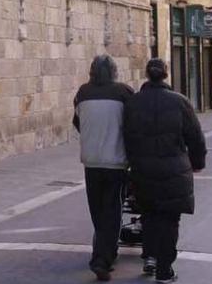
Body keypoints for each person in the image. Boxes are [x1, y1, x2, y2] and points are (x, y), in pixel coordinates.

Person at [124, 58, 207, 283]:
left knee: (149, 215)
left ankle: (150, 257)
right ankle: (164, 269)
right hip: (174, 171)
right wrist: (197, 163)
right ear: (166, 74)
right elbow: (196, 138)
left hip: (143, 170)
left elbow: (126, 138)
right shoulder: (180, 102)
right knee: (170, 221)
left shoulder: (133, 103)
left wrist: (132, 162)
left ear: (147, 74)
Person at [72, 55, 135, 282]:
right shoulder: (123, 93)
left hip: (91, 161)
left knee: (98, 210)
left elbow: (78, 122)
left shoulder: (82, 93)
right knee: (113, 211)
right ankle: (102, 259)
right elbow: (132, 124)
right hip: (116, 162)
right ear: (114, 71)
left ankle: (105, 251)